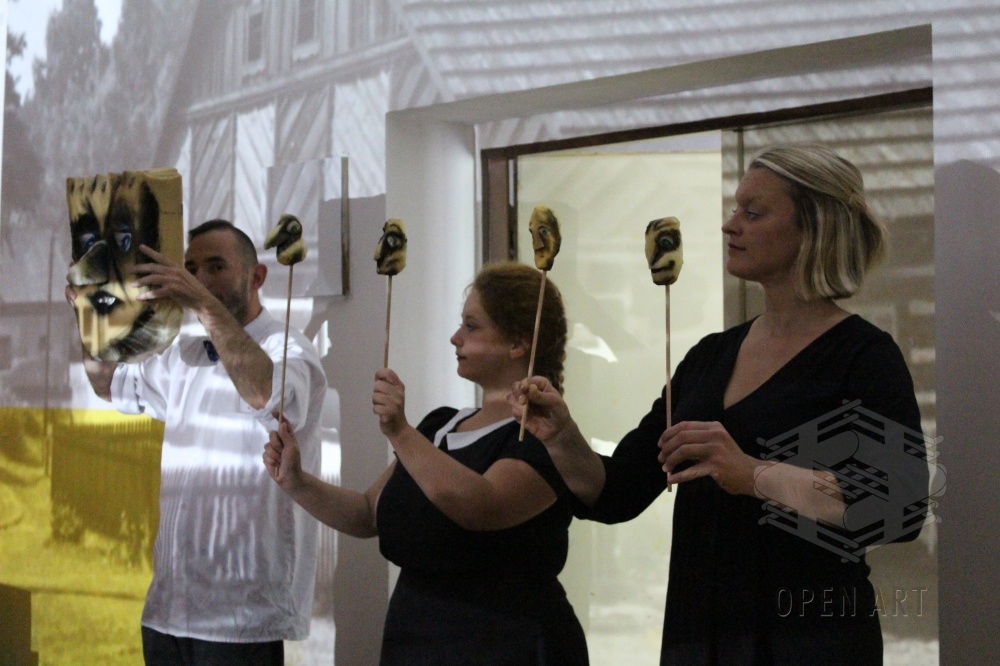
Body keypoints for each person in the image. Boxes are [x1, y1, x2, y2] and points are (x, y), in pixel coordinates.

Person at [512, 144, 930, 665]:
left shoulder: (863, 355)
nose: (730, 226)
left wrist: (753, 474)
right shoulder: (709, 357)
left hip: (808, 642)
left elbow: (899, 507)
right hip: (700, 634)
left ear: (815, 228)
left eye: (753, 213)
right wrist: (562, 436)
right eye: (735, 209)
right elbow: (618, 491)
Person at [263, 262, 589, 665]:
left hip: (506, 646)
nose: (456, 337)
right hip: (416, 640)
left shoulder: (544, 438)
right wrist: (296, 481)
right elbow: (368, 512)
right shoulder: (439, 425)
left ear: (518, 344)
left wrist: (400, 431)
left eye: (471, 327)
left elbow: (480, 505)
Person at [72, 219, 326, 666]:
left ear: (257, 277)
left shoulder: (289, 348)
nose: (197, 278)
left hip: (242, 617)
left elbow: (265, 394)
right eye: (190, 268)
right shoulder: (184, 353)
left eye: (215, 267)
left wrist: (203, 304)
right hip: (167, 610)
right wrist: (91, 318)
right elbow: (109, 384)